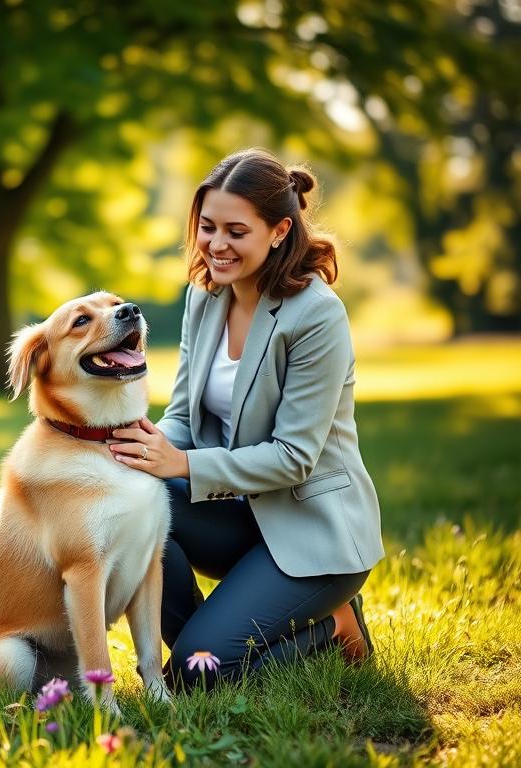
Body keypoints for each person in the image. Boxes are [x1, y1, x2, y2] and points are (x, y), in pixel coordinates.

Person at [107, 147, 384, 691]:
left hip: (313, 534)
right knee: (126, 502)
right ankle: (205, 650)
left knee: (194, 677)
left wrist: (181, 463)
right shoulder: (204, 296)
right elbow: (183, 414)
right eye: (207, 227)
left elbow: (295, 457)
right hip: (242, 518)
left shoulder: (317, 315)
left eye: (236, 231)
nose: (216, 245)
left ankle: (333, 626)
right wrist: (134, 453)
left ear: (280, 230)